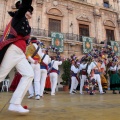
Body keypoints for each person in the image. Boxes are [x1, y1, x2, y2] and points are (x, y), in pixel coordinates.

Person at [0, 0, 34, 113]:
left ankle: (15, 103)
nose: (31, 13)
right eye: (29, 10)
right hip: (13, 50)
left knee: (29, 74)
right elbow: (25, 6)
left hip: (20, 53)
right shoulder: (19, 16)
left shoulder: (25, 21)